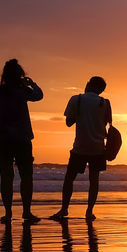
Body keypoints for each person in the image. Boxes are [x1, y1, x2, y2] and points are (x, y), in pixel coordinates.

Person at [0, 59, 43, 223]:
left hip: (2, 138)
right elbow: (39, 95)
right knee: (26, 176)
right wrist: (31, 83)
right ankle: (26, 211)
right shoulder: (23, 91)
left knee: (6, 177)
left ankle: (8, 213)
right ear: (20, 76)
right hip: (22, 138)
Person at [50, 76, 113, 221]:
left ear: (88, 85)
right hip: (98, 148)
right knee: (94, 180)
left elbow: (68, 122)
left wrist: (81, 115)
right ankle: (89, 212)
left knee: (69, 178)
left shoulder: (76, 99)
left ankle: (64, 209)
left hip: (80, 147)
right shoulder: (105, 103)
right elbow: (107, 123)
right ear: (101, 90)